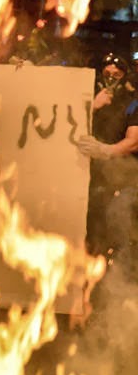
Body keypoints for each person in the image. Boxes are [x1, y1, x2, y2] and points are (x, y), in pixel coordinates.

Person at [79, 53, 138, 269]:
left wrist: (106, 150)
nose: (112, 77)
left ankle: (119, 291)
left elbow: (133, 141)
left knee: (120, 235)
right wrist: (92, 107)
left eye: (117, 74)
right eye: (108, 73)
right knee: (92, 236)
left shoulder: (133, 103)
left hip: (124, 184)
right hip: (93, 181)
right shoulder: (89, 98)